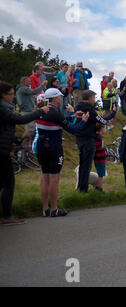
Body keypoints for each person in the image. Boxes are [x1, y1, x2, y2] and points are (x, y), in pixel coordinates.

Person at [0, 81, 49, 225]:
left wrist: (15, 140)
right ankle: (7, 217)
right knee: (9, 183)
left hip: (4, 148)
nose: (13, 97)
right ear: (3, 95)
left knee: (2, 183)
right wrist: (40, 111)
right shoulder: (2, 109)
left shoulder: (5, 108)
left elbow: (6, 127)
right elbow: (20, 119)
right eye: (10, 94)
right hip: (2, 152)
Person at [36, 88, 89, 217]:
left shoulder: (41, 111)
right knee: (54, 179)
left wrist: (71, 116)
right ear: (55, 98)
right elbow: (73, 130)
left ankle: (45, 209)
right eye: (60, 97)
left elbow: (58, 120)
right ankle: (54, 209)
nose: (61, 99)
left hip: (41, 146)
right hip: (54, 148)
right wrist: (83, 121)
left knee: (44, 177)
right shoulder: (56, 113)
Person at [74, 90, 117, 193]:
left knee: (83, 165)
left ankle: (81, 188)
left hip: (79, 139)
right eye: (93, 98)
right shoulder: (89, 110)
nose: (94, 100)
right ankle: (83, 190)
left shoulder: (77, 107)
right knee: (86, 167)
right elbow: (103, 121)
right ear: (89, 98)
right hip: (88, 139)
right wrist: (113, 112)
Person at [16, 77, 47, 149]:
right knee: (29, 130)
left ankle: (28, 147)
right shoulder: (23, 88)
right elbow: (34, 92)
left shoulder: (21, 89)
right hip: (27, 111)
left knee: (30, 129)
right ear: (23, 82)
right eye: (28, 81)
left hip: (27, 111)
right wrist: (42, 85)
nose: (30, 82)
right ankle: (23, 147)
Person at [94, 124, 107, 193]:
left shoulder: (99, 137)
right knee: (101, 174)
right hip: (99, 158)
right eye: (105, 128)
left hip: (101, 157)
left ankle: (98, 186)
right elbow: (97, 148)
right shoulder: (98, 137)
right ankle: (99, 188)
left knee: (101, 173)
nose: (106, 129)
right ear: (101, 128)